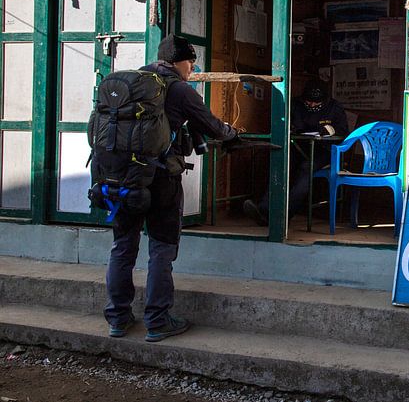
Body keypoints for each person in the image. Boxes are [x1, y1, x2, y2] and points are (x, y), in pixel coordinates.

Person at [105, 34, 241, 342]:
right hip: (162, 180)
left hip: (121, 180)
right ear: (178, 61)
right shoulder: (179, 89)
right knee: (162, 250)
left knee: (123, 247)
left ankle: (117, 317)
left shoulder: (131, 84)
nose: (193, 67)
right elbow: (212, 126)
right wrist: (232, 134)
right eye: (191, 61)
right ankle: (157, 319)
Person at [244, 79, 347, 224]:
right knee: (281, 162)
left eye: (315, 103)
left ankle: (284, 216)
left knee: (305, 169)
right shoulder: (295, 104)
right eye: (308, 102)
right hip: (298, 146)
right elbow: (285, 122)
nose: (311, 105)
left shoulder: (334, 107)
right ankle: (264, 210)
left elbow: (343, 132)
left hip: (324, 150)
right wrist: (291, 128)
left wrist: (328, 131)